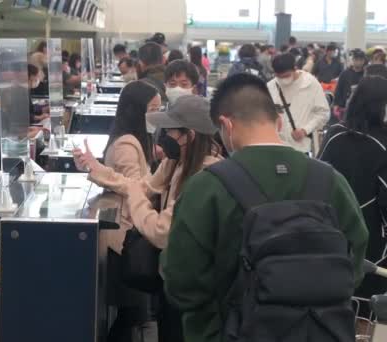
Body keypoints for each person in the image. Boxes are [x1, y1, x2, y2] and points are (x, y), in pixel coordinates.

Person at [162, 73, 369, 342]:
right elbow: (354, 263)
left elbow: (182, 283)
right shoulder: (331, 181)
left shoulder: (207, 187)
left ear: (226, 125)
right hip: (320, 331)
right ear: (279, 121)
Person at [75, 95, 221, 342]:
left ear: (190, 136)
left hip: (192, 286)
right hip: (170, 278)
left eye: (171, 132)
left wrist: (135, 199)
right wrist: (97, 169)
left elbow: (160, 231)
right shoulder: (175, 163)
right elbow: (142, 187)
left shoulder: (205, 176)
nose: (164, 138)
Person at [79, 81, 161, 342]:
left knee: (129, 315)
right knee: (131, 315)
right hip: (125, 236)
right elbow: (136, 186)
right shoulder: (128, 143)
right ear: (137, 110)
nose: (158, 115)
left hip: (124, 230)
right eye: (154, 108)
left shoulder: (136, 139)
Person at [320, 76, 387, 312]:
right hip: (372, 245)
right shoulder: (382, 145)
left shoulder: (334, 134)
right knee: (368, 312)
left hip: (327, 233)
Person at [267, 53, 330, 153]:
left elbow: (323, 113)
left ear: (295, 68)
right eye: (278, 77)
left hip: (302, 148)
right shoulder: (271, 86)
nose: (282, 80)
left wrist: (305, 130)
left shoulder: (310, 84)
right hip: (276, 147)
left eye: (286, 76)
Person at [333, 49, 366, 113]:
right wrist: (336, 104)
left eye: (361, 60)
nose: (358, 62)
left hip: (362, 107)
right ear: (353, 60)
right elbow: (338, 89)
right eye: (356, 59)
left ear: (364, 61)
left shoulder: (366, 74)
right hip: (345, 106)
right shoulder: (345, 73)